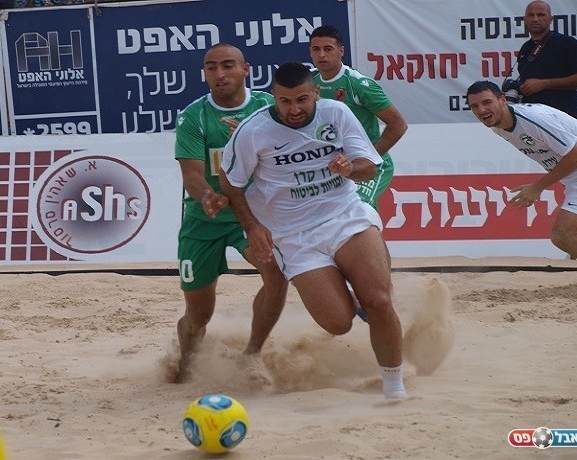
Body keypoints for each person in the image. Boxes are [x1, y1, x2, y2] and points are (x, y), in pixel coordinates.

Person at [217, 62, 407, 399]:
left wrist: (349, 168)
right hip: (293, 235)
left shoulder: (336, 113)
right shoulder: (253, 130)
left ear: (316, 93)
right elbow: (229, 183)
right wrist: (252, 226)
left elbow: (368, 167)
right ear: (274, 97)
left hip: (344, 216)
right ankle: (354, 299)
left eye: (302, 99)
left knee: (379, 300)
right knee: (338, 323)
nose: (294, 109)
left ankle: (394, 389)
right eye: (285, 101)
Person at [173, 43, 288, 384]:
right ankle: (185, 365)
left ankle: (251, 353)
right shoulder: (193, 116)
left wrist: (251, 139)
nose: (219, 73)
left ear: (245, 69)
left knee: (276, 274)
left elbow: (290, 154)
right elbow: (191, 174)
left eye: (227, 65)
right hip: (204, 219)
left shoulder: (268, 108)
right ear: (204, 73)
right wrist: (207, 196)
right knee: (198, 315)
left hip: (250, 217)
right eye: (211, 67)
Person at [466, 80, 577, 282]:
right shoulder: (498, 125)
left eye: (487, 102)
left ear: (503, 100)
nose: (481, 110)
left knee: (562, 235)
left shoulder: (533, 119)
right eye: (475, 106)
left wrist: (537, 187)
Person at [309, 25, 407, 210]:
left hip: (367, 164)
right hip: (332, 164)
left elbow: (398, 125)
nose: (321, 55)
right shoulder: (308, 82)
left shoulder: (358, 84)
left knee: (355, 209)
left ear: (341, 51)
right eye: (316, 49)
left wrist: (369, 158)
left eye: (328, 49)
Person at [512, 0, 577, 119]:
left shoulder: (567, 43)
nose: (535, 19)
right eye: (531, 15)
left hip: (562, 117)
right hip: (533, 118)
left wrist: (543, 84)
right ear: (524, 20)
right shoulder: (526, 48)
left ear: (551, 19)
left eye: (541, 14)